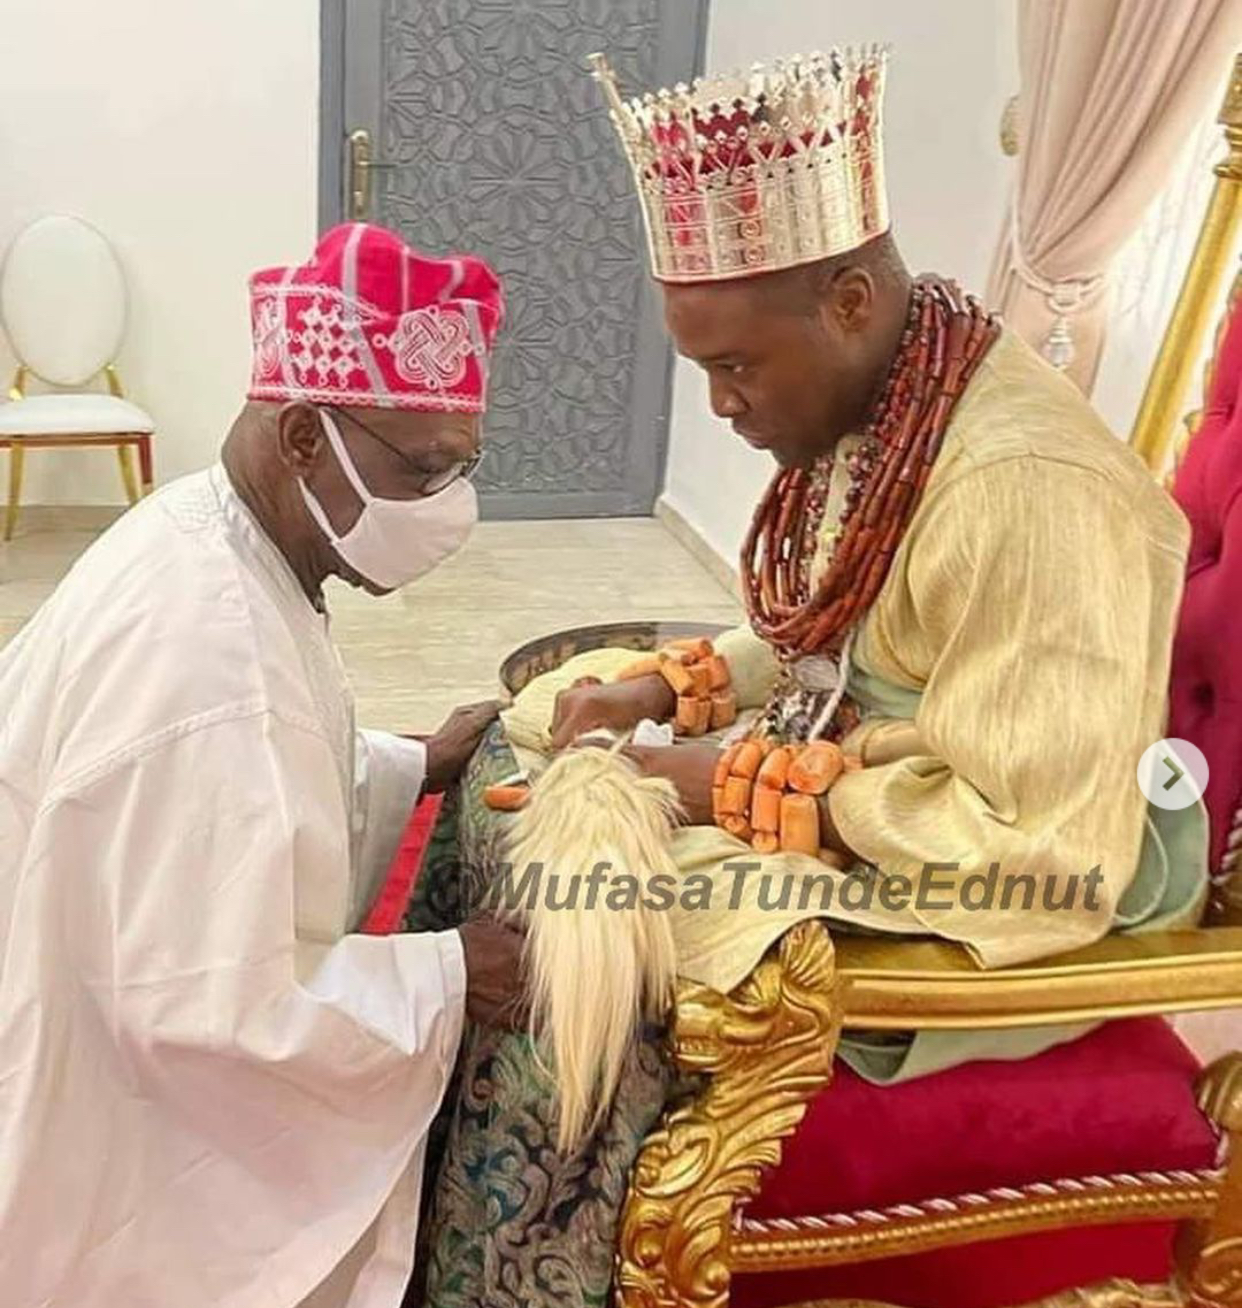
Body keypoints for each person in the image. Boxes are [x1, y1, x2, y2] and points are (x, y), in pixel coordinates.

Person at [408, 48, 1207, 1307]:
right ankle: (419, 1150)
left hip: (1000, 884)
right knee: (530, 741)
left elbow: (1039, 845)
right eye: (705, 371)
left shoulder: (1030, 493)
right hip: (866, 782)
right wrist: (663, 697)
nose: (722, 405)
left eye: (737, 367)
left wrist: (728, 785)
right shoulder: (892, 397)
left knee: (585, 940)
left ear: (845, 303)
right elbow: (836, 622)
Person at [0, 221, 527, 1308]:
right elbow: (205, 1011)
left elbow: (244, 801)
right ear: (301, 439)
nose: (449, 509)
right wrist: (450, 973)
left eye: (464, 467)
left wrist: (404, 766)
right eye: (424, 471)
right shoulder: (209, 657)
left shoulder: (212, 530)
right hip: (107, 1126)